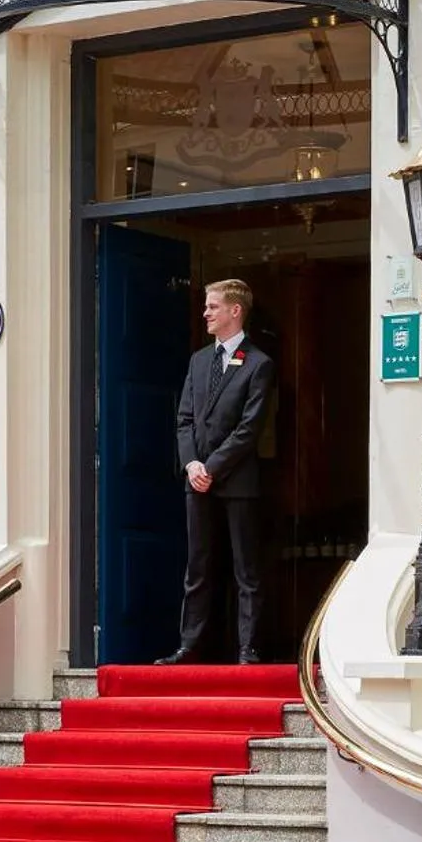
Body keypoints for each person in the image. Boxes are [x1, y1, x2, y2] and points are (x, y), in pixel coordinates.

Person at [156, 279, 276, 665]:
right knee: (198, 566)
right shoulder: (198, 361)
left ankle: (249, 648)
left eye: (212, 306)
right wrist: (192, 464)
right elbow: (184, 419)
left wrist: (213, 466)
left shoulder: (259, 364)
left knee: (246, 569)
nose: (205, 313)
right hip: (198, 481)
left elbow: (249, 428)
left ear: (234, 311)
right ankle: (190, 646)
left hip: (237, 481)